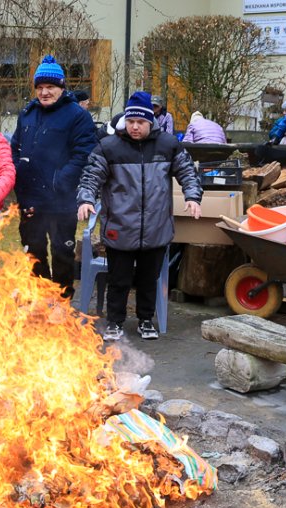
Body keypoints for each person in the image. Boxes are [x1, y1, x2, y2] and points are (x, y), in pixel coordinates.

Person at [76, 91, 202, 342]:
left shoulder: (167, 145)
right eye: (131, 121)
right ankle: (115, 322)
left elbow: (187, 171)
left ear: (150, 122)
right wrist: (86, 199)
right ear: (125, 121)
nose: (135, 126)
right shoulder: (109, 147)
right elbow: (90, 176)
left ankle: (146, 320)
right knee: (119, 279)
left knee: (148, 279)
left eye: (141, 122)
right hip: (120, 226)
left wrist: (192, 196)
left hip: (156, 226)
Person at [11, 55, 97, 296]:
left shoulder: (77, 115)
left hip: (61, 200)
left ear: (61, 87)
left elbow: (84, 154)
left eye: (50, 87)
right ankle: (43, 296)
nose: (44, 92)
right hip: (30, 197)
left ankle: (62, 299)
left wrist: (59, 180)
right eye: (39, 87)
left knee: (62, 251)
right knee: (33, 251)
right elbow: (14, 147)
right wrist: (18, 171)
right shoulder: (27, 113)